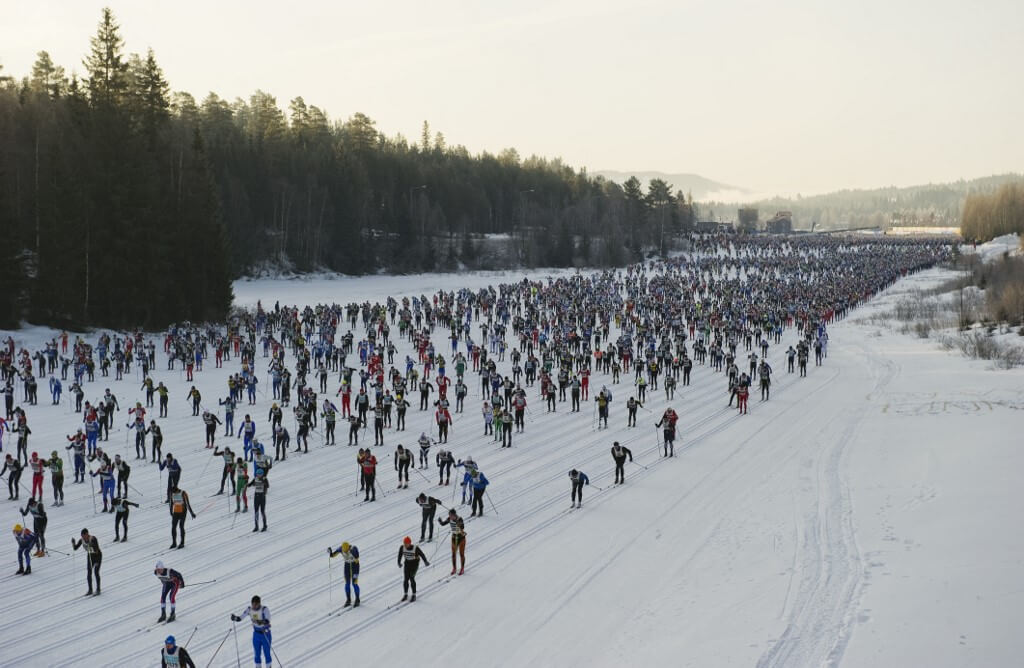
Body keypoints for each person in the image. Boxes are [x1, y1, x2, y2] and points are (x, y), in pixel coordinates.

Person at [230, 595, 272, 668]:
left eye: (256, 604)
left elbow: (267, 620)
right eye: (253, 604)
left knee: (267, 653)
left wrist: (261, 622)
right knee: (257, 654)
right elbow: (240, 618)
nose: (254, 606)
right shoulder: (249, 609)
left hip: (265, 634)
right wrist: (235, 618)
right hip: (256, 635)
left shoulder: (264, 609)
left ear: (259, 603)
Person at [327, 541, 360, 607]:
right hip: (347, 566)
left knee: (354, 583)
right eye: (344, 551)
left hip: (354, 566)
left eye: (346, 551)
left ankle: (357, 599)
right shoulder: (341, 549)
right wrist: (330, 552)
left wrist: (353, 553)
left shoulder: (353, 549)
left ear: (348, 548)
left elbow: (357, 556)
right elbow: (333, 555)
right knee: (347, 583)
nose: (345, 552)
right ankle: (348, 599)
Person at [397, 535, 429, 602]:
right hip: (407, 563)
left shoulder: (415, 548)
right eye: (404, 543)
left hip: (415, 563)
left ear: (410, 543)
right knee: (406, 579)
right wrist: (399, 562)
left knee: (411, 578)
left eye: (406, 544)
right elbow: (400, 555)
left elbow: (422, 554)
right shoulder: (402, 547)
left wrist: (425, 561)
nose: (405, 545)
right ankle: (405, 594)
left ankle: (414, 595)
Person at [71, 527, 102, 595]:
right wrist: (73, 543)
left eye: (84, 536)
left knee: (96, 572)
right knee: (89, 573)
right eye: (82, 536)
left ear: (87, 534)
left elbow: (96, 550)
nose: (83, 538)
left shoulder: (93, 539)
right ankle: (90, 590)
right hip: (90, 556)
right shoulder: (82, 540)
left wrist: (90, 547)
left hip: (97, 556)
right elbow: (75, 548)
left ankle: (98, 589)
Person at [438, 508, 466, 575]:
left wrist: (458, 523)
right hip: (454, 537)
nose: (450, 516)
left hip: (461, 538)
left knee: (461, 554)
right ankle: (454, 568)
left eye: (451, 515)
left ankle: (462, 568)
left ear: (454, 514)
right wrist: (440, 521)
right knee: (453, 554)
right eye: (449, 515)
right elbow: (443, 524)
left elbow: (462, 527)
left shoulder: (459, 518)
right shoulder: (449, 519)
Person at [168, 484, 196, 549]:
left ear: (176, 490)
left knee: (181, 526)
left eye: (173, 492)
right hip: (176, 512)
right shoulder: (172, 493)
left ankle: (182, 543)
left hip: (183, 512)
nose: (172, 494)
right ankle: (174, 543)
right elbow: (171, 503)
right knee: (173, 527)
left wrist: (192, 513)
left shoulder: (183, 493)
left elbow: (187, 504)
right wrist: (171, 511)